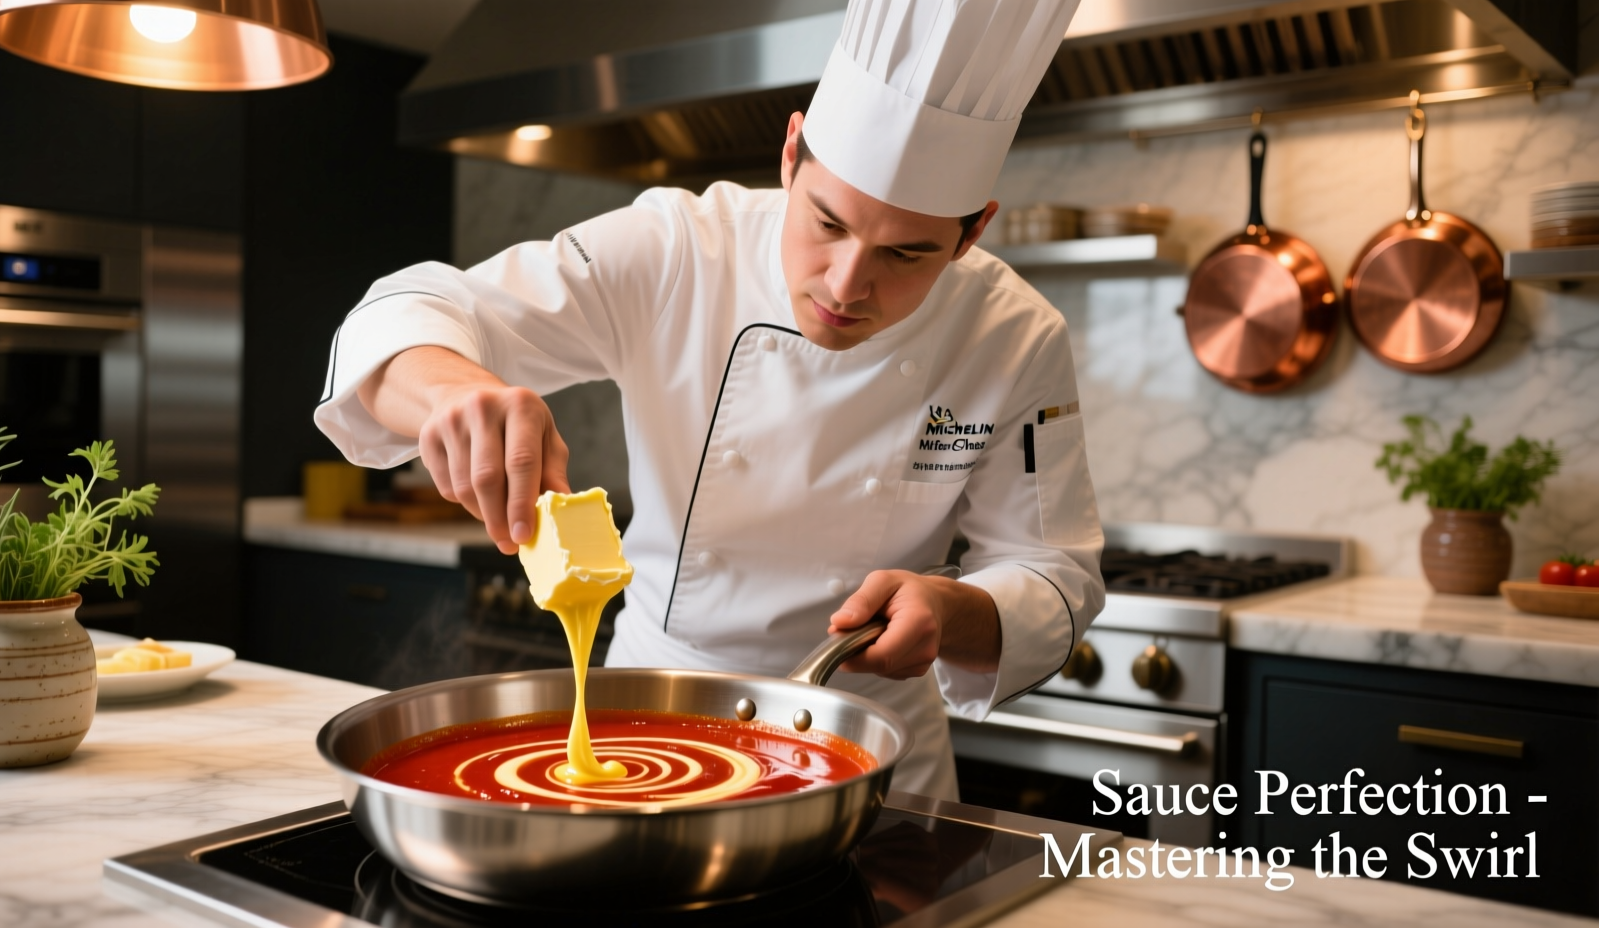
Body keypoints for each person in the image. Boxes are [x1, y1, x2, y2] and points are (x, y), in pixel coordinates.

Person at [315, 0, 1102, 800]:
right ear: (791, 154)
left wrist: (953, 609)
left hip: (870, 755)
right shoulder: (680, 251)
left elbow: (1053, 571)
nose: (846, 285)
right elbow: (403, 314)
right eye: (826, 222)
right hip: (647, 711)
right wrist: (456, 392)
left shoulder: (1013, 333)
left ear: (971, 234)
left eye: (906, 253)